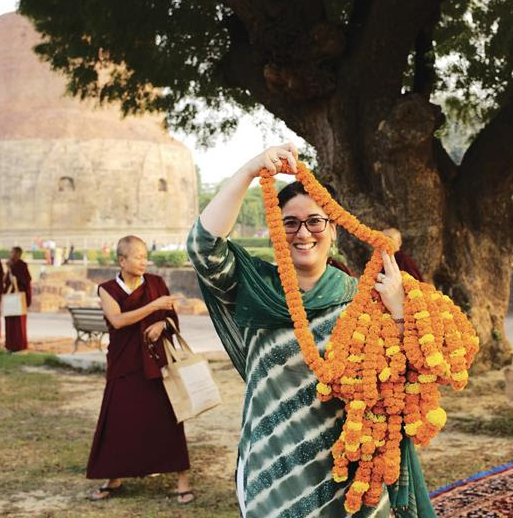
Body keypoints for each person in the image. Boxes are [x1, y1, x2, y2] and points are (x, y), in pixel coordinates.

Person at [187, 144, 415, 518]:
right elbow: (202, 246)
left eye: (314, 221)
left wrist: (401, 313)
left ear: (333, 228)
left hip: (347, 464)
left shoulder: (361, 299)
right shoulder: (254, 287)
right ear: (276, 227)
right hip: (272, 462)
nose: (302, 232)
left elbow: (403, 382)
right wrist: (250, 168)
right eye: (289, 222)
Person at [86, 236, 193, 505]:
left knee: (168, 418)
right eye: (137, 256)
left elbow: (172, 320)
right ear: (122, 260)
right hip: (125, 363)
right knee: (119, 421)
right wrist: (154, 307)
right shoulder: (108, 289)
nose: (144, 261)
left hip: (156, 363)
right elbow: (119, 320)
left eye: (145, 256)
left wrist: (162, 324)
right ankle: (114, 476)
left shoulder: (156, 283)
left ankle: (182, 479)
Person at [3, 247, 32, 352]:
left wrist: (11, 269)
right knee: (10, 322)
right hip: (11, 298)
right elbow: (6, 281)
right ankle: (10, 345)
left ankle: (19, 345)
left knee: (18, 323)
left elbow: (22, 281)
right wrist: (9, 269)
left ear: (18, 254)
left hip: (19, 299)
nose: (10, 254)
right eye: (10, 252)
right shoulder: (12, 266)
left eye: (12, 252)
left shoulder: (21, 266)